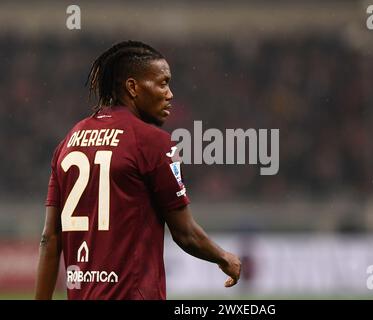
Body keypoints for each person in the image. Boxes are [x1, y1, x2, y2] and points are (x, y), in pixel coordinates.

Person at [35, 40, 241, 300]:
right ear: (133, 87)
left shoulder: (68, 142)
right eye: (163, 83)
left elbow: (50, 238)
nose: (170, 94)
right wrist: (224, 258)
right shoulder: (155, 142)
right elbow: (185, 234)